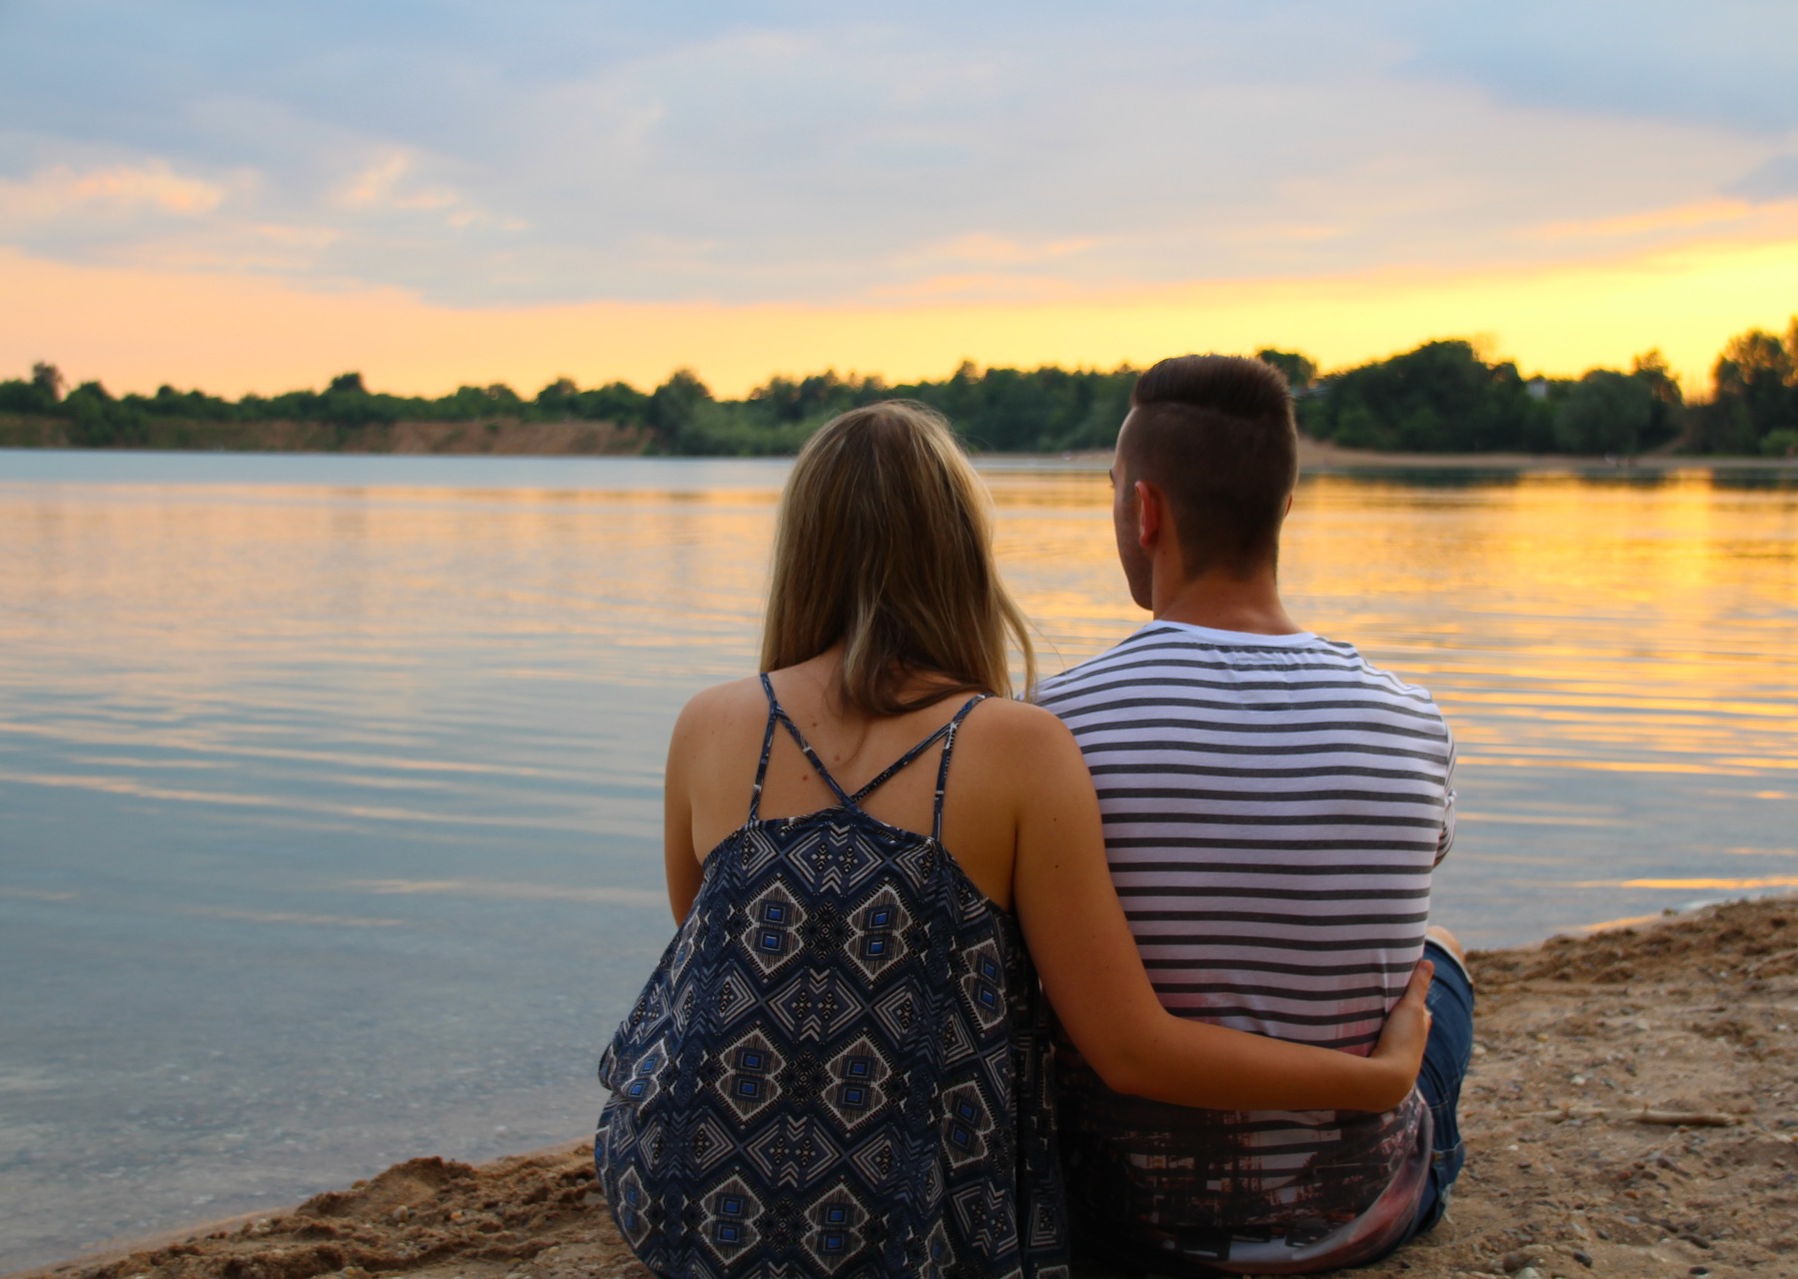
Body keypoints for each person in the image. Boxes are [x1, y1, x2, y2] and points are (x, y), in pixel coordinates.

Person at [594, 401, 1435, 1279]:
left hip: (681, 1199)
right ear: (964, 551)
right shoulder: (1017, 745)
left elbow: (711, 958)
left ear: (799, 550)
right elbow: (1130, 1046)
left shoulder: (709, 722)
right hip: (905, 1229)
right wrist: (1377, 1080)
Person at [1034, 354, 1472, 1275]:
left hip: (1118, 1220)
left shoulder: (1056, 722)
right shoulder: (1413, 719)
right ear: (1284, 507)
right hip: (1355, 1216)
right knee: (1443, 959)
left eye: (1113, 492)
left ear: (1145, 511)